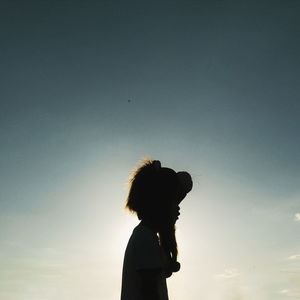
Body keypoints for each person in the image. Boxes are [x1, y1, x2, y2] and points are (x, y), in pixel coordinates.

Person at [120, 159, 193, 300]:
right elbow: (151, 293)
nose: (178, 210)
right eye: (174, 203)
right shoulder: (145, 238)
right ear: (161, 206)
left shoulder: (146, 236)